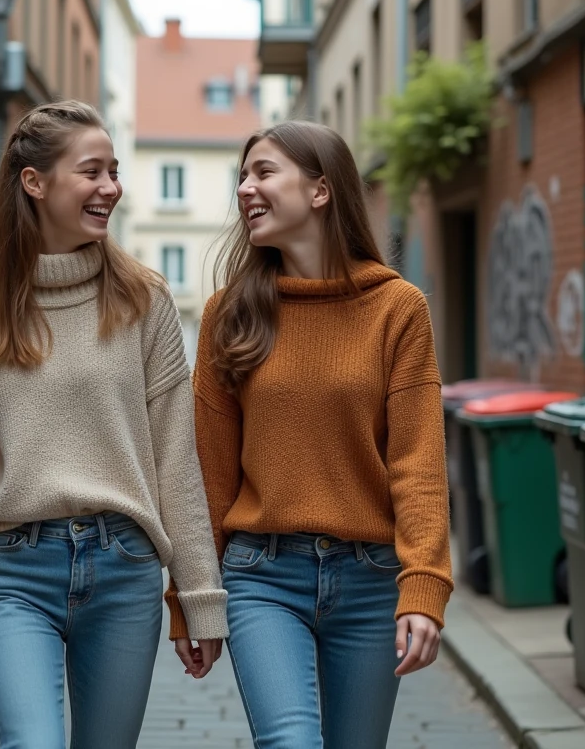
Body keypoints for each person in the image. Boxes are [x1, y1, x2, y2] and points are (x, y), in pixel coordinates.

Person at [0, 100, 228, 749]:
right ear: (35, 182)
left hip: (124, 570)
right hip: (15, 574)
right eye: (92, 171)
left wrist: (198, 594)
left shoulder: (145, 302)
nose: (111, 187)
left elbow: (175, 459)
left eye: (115, 171)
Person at [166, 120, 453, 748]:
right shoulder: (229, 314)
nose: (245, 188)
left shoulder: (398, 309)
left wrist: (424, 585)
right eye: (242, 176)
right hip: (262, 576)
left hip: (372, 579)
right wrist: (191, 596)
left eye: (264, 172)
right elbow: (208, 474)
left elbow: (418, 463)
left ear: (321, 190)